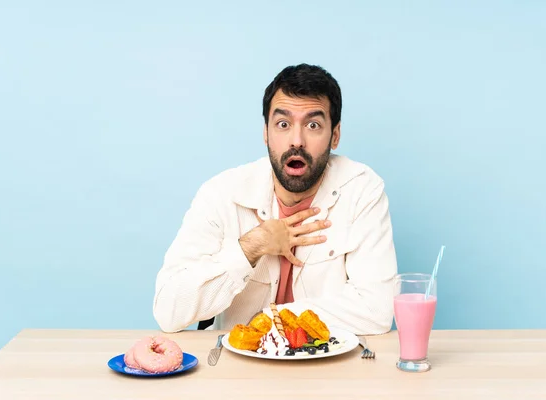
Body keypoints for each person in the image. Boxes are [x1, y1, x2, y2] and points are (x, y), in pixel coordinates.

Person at [153, 63, 398, 335]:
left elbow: (377, 311)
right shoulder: (221, 193)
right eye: (283, 124)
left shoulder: (362, 190)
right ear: (266, 133)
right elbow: (168, 311)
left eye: (313, 125)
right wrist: (251, 246)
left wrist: (270, 319)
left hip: (328, 371)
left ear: (335, 135)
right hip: (238, 372)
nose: (297, 141)